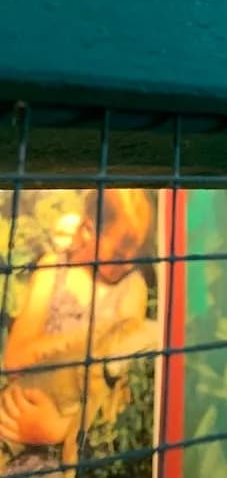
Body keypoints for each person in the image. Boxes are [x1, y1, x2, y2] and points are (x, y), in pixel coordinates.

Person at [0, 189, 159, 476]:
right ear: (88, 229)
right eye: (119, 255)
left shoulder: (131, 289)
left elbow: (116, 388)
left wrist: (56, 429)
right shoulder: (54, 268)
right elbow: (15, 358)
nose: (126, 265)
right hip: (11, 425)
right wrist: (89, 340)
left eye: (134, 258)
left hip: (70, 440)